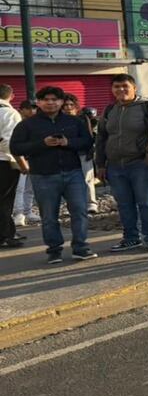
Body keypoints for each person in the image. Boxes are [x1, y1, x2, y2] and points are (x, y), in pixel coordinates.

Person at [11, 86, 94, 264]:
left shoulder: (74, 121)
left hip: (73, 174)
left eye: (55, 99)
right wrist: (42, 143)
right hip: (43, 175)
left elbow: (88, 141)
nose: (50, 103)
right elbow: (16, 147)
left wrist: (67, 142)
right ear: (39, 103)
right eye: (46, 100)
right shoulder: (27, 124)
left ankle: (81, 247)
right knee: (49, 216)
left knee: (79, 211)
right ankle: (54, 250)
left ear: (62, 102)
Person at [60, 94, 98, 214]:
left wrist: (90, 150)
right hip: (66, 155)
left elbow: (89, 136)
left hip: (82, 153)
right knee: (67, 181)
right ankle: (72, 205)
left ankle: (91, 203)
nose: (68, 107)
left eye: (71, 104)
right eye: (65, 105)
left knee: (87, 179)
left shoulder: (82, 119)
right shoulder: (58, 120)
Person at [0, 84, 23, 248]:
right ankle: (6, 235)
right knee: (5, 199)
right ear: (12, 96)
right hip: (5, 161)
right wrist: (21, 162)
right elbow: (10, 141)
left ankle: (8, 230)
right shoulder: (9, 113)